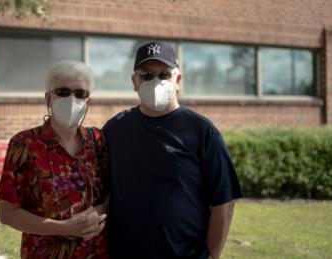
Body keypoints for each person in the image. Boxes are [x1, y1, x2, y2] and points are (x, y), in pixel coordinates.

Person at [103, 41, 243, 259]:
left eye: (164, 75)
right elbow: (103, 192)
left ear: (177, 80)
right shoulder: (114, 130)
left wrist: (212, 255)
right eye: (146, 75)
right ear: (134, 81)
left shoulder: (201, 131)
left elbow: (224, 200)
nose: (156, 82)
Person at [0, 60, 109, 259]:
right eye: (63, 92)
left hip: (96, 253)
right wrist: (63, 228)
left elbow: (112, 194)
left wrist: (97, 212)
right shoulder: (24, 144)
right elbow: (8, 214)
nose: (72, 100)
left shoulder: (98, 141)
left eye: (79, 93)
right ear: (48, 98)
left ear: (88, 101)